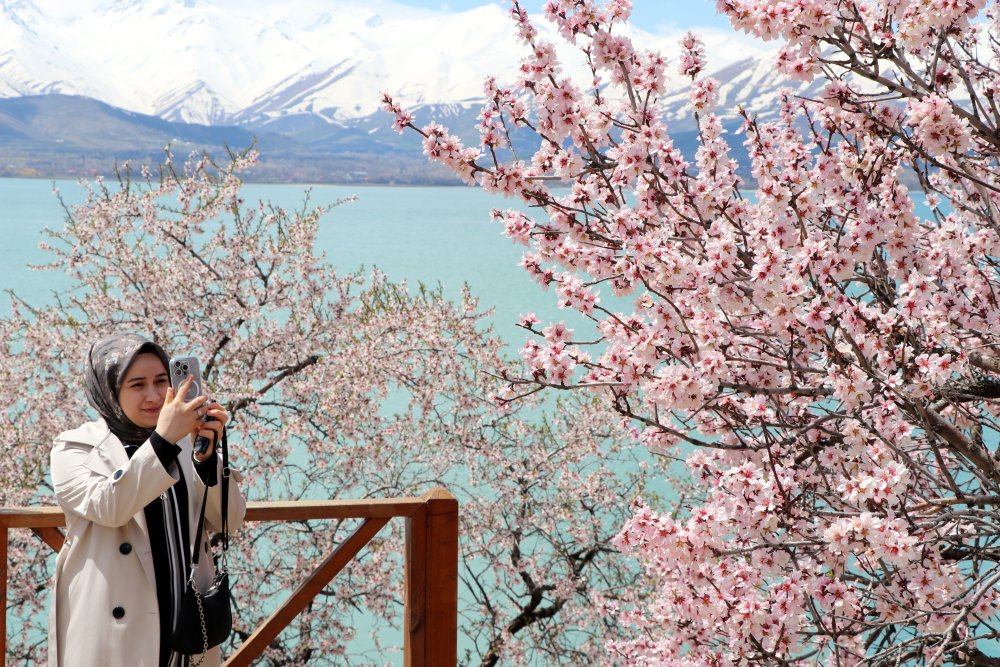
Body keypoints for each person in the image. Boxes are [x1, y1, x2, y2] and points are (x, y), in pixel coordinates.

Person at [48, 333, 247, 667]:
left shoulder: (185, 442)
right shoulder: (74, 447)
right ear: (110, 390)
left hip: (186, 623)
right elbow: (111, 507)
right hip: (116, 635)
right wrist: (164, 439)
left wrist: (207, 462)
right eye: (137, 385)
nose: (154, 396)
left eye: (161, 381)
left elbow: (231, 518)